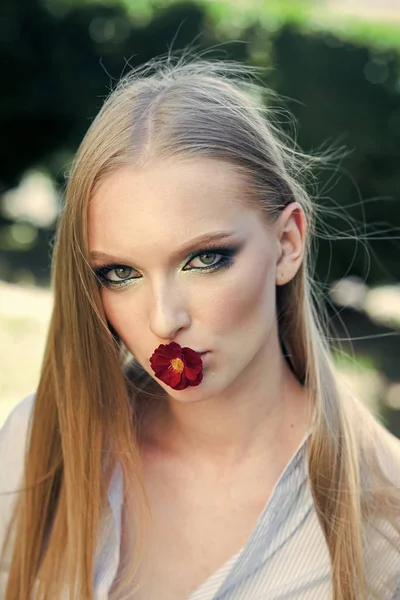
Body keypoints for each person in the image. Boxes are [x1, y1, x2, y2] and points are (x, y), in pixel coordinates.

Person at [1, 54, 400, 600]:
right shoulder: (40, 445)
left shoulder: (386, 518)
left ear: (287, 245)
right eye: (121, 273)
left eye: (205, 259)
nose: (165, 319)